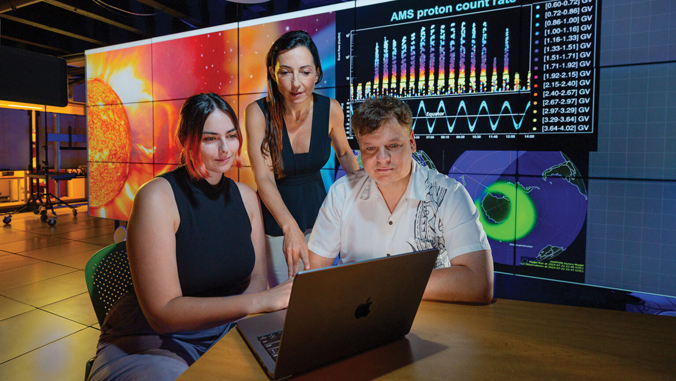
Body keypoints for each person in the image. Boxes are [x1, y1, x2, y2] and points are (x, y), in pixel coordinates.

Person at [88, 93, 292, 381]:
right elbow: (163, 314)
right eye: (210, 139)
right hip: (151, 342)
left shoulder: (247, 197)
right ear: (186, 140)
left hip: (224, 330)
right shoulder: (157, 196)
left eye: (231, 136)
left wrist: (253, 307)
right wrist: (260, 302)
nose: (225, 149)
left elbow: (256, 280)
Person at [307, 96, 494, 304]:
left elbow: (478, 283)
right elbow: (313, 274)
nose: (382, 158)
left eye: (393, 145)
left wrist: (378, 283)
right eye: (370, 148)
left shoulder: (449, 195)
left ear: (412, 142)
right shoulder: (341, 193)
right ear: (360, 149)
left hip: (431, 319)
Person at [245, 30, 359, 287]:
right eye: (285, 72)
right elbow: (263, 177)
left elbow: (344, 153)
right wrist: (289, 228)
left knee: (320, 293)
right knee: (283, 296)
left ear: (317, 73)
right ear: (274, 74)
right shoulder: (257, 113)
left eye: (305, 72)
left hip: (321, 215)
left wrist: (367, 195)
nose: (296, 83)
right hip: (275, 220)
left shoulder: (331, 108)